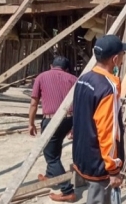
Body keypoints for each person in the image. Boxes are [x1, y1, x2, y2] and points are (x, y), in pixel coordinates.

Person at [72, 35, 126, 204]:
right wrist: (113, 169)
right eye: (122, 55)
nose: (122, 58)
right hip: (99, 161)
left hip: (82, 154)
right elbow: (107, 132)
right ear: (115, 59)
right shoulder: (107, 88)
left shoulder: (84, 79)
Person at [29, 56, 77, 202]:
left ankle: (67, 191)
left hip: (51, 120)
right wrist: (75, 126)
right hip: (70, 119)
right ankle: (51, 176)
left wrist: (31, 123)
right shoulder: (73, 79)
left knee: (51, 156)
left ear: (51, 66)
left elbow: (34, 103)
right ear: (67, 69)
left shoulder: (41, 77)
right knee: (54, 147)